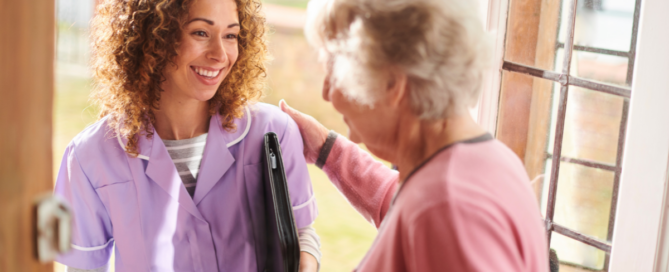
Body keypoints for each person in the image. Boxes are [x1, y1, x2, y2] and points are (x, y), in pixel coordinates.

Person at [277, 0, 550, 270]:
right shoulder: (486, 162)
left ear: (393, 83)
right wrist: (327, 149)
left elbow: (435, 214)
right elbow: (406, 205)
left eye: (333, 69)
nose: (327, 93)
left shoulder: (448, 209)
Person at [54, 0, 320, 271]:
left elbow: (302, 235)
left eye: (230, 35)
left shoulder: (272, 133)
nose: (220, 54)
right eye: (201, 33)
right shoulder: (90, 157)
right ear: (155, 36)